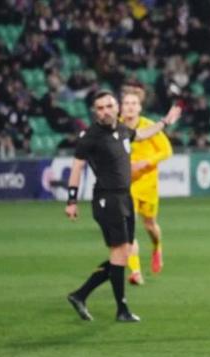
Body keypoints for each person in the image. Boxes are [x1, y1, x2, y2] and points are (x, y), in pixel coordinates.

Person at [64, 90, 181, 322]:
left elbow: (143, 134)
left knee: (125, 254)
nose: (105, 111)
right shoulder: (90, 137)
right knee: (119, 253)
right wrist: (72, 200)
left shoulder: (122, 129)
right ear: (95, 111)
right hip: (107, 199)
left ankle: (80, 295)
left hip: (124, 197)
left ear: (116, 107)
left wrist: (165, 122)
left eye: (109, 106)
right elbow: (77, 167)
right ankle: (121, 309)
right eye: (100, 108)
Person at [121, 85, 173, 285]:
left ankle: (157, 247)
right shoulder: (116, 128)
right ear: (121, 107)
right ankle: (136, 272)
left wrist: (146, 162)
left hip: (148, 185)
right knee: (128, 229)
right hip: (126, 186)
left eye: (134, 103)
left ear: (140, 107)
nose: (130, 107)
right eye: (126, 103)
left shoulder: (149, 127)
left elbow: (167, 151)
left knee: (150, 226)